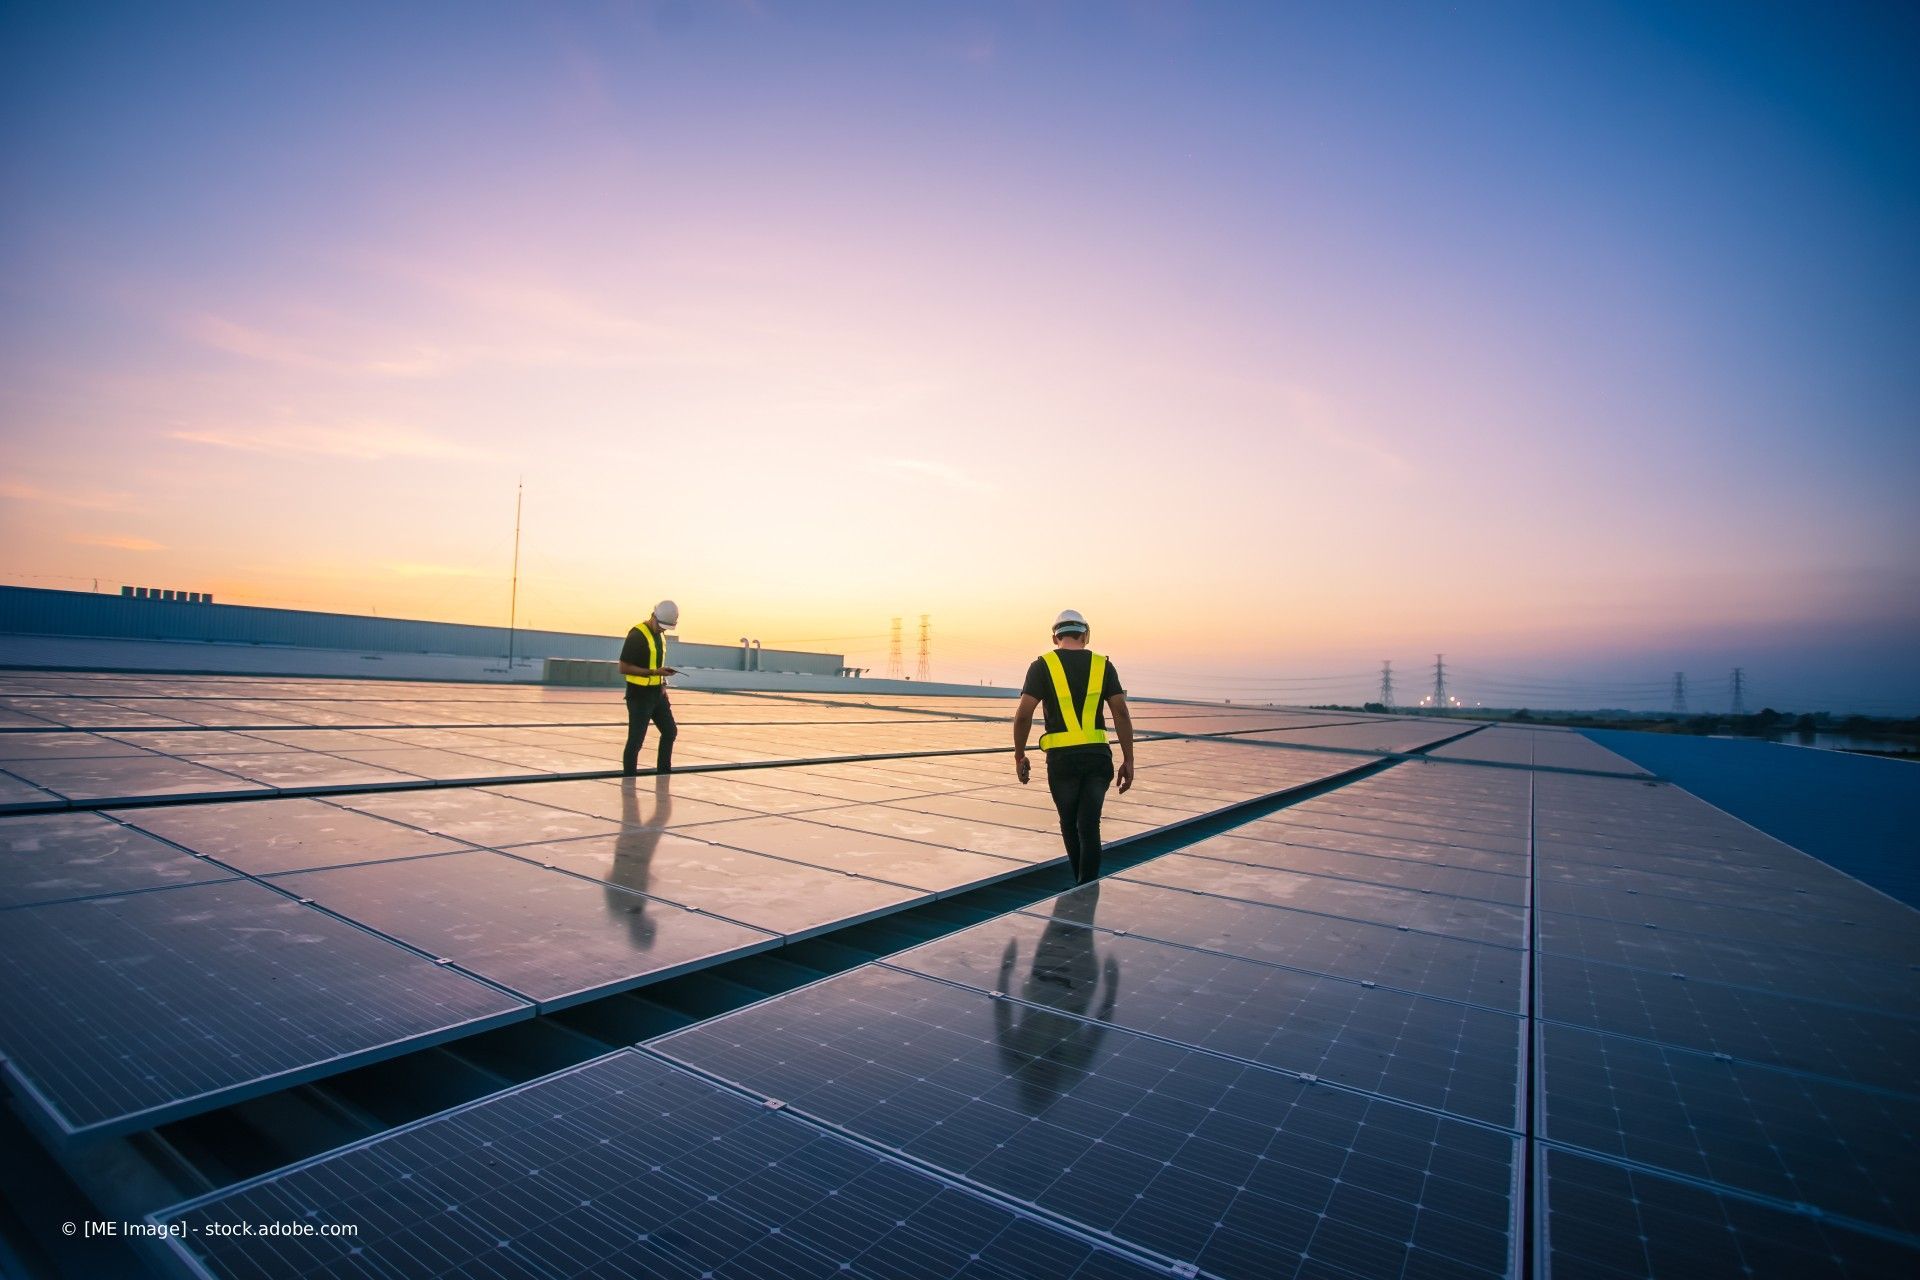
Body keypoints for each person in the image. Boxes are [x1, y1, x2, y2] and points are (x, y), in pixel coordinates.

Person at [1011, 609, 1135, 884]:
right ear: (1085, 634)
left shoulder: (1042, 665)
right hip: (1097, 758)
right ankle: (1087, 886)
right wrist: (1129, 760)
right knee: (1089, 826)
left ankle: (1081, 885)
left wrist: (1019, 755)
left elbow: (1023, 714)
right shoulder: (1103, 665)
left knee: (1069, 824)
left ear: (1055, 637)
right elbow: (1121, 714)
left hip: (1062, 762)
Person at [618, 600, 680, 775]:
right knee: (636, 741)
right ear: (653, 616)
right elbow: (623, 667)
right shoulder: (637, 634)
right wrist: (654, 672)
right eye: (661, 625)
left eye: (665, 627)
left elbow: (655, 662)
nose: (662, 629)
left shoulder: (660, 636)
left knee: (670, 731)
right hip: (639, 696)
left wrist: (662, 679)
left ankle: (664, 773)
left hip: (657, 694)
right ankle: (629, 779)